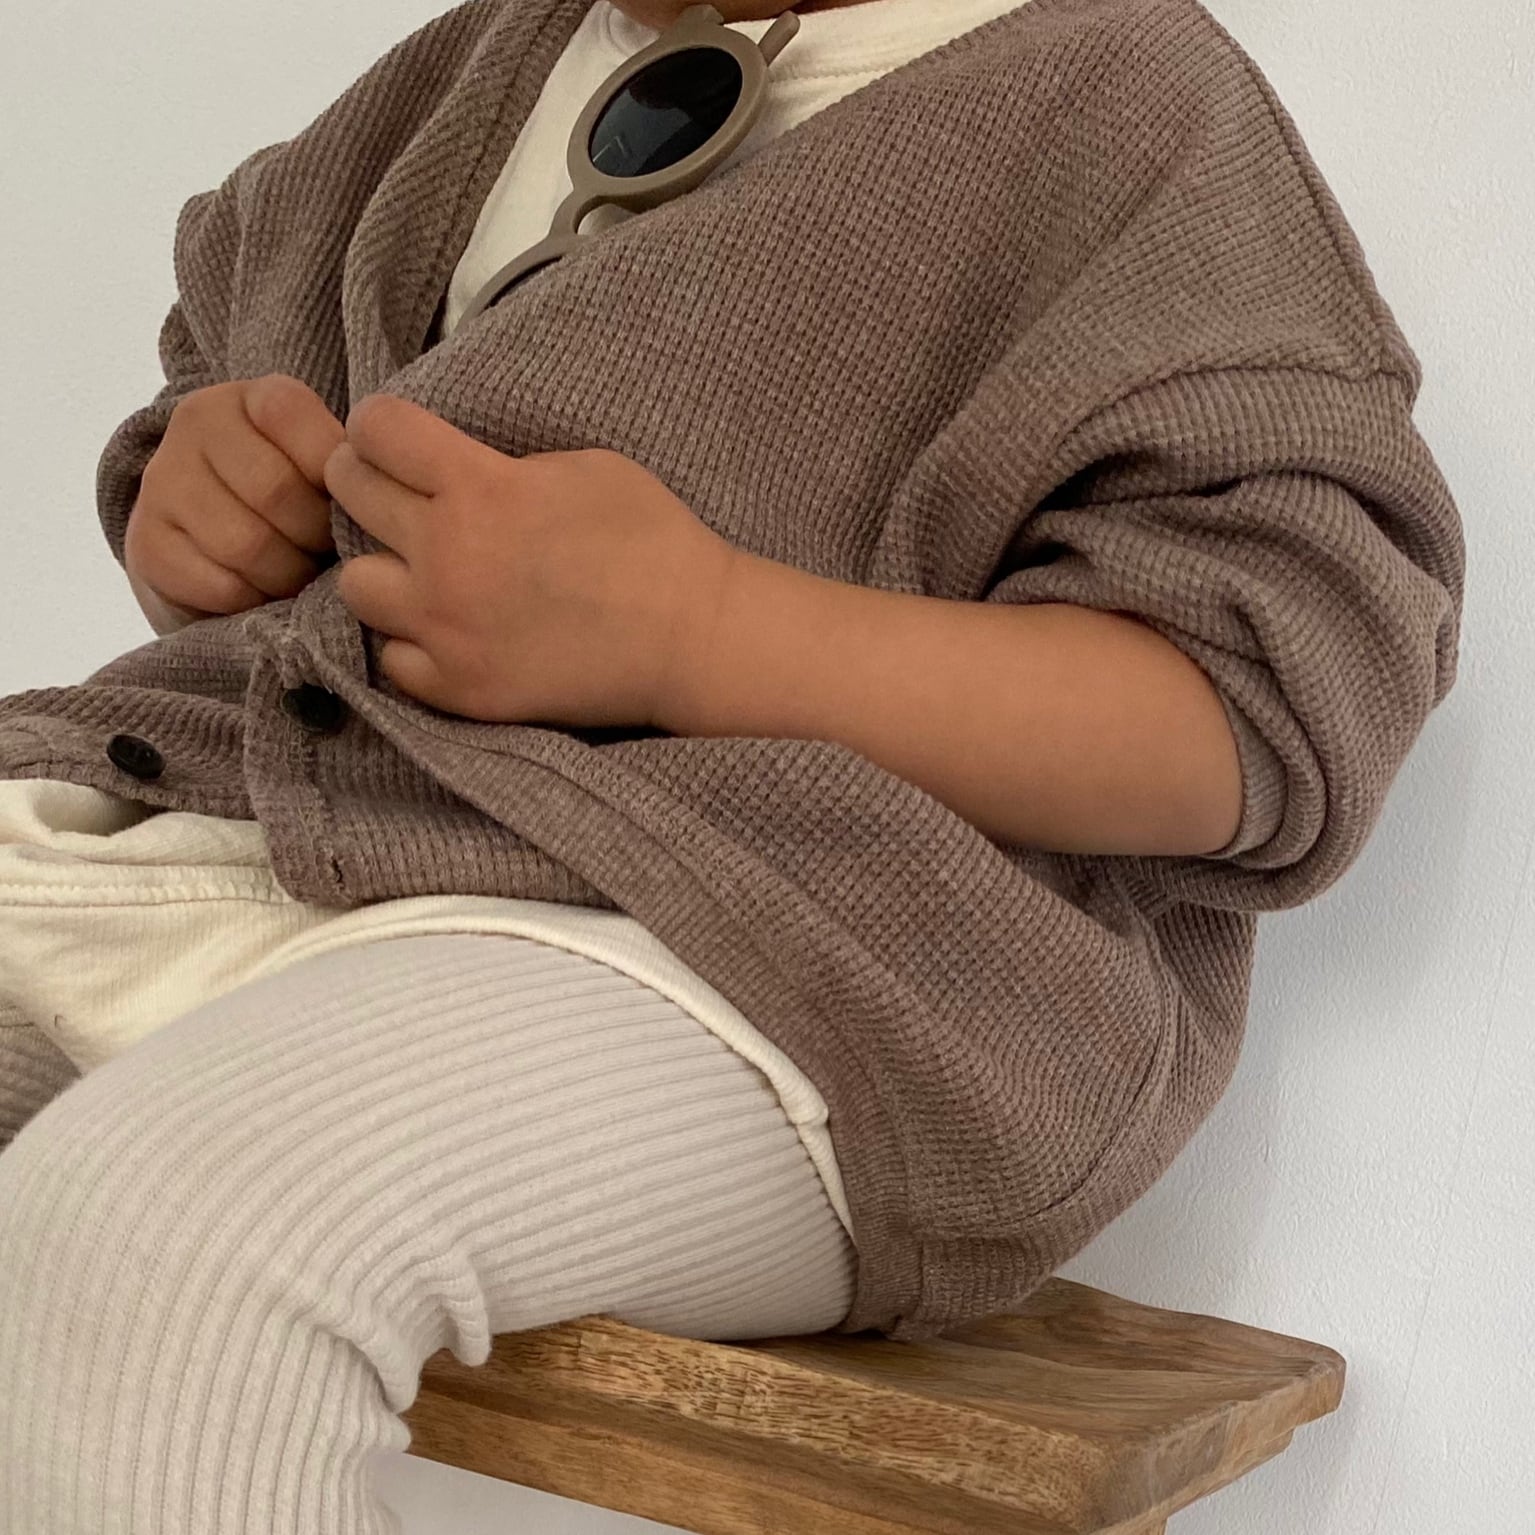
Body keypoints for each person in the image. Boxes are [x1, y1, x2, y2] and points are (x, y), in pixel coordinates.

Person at [0, 0, 1465, 1530]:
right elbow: (229, 382)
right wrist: (202, 501)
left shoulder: (1131, 109)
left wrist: (704, 634)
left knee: (177, 1226)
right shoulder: (485, 63)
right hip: (312, 833)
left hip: (791, 955)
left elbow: (1249, 722)